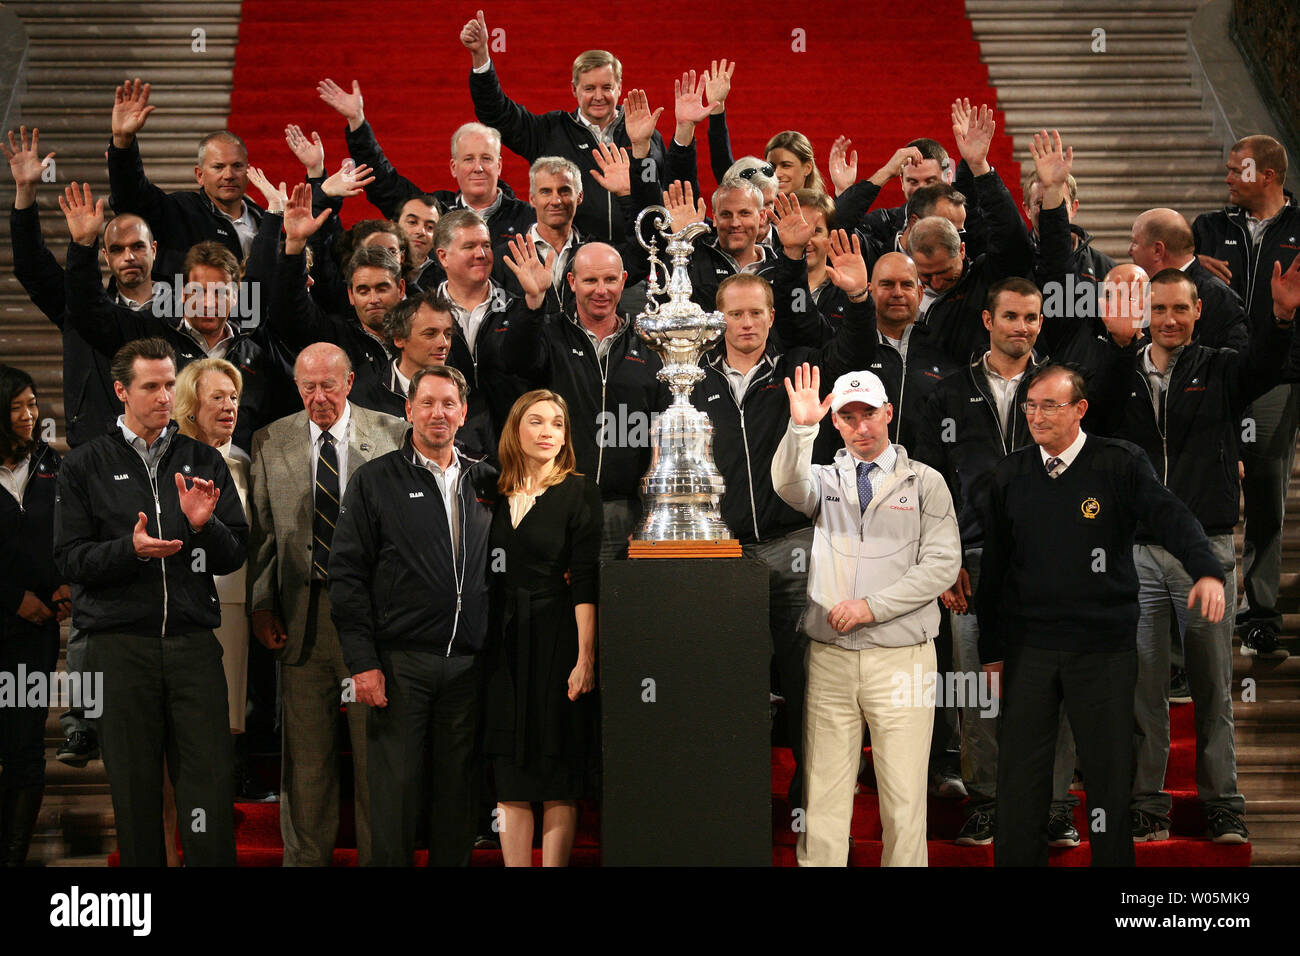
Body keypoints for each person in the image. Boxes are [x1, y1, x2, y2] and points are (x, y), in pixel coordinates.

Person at [976, 364, 1226, 866]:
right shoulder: (1009, 474)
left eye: (1050, 405)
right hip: (1030, 648)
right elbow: (995, 572)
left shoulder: (1120, 463)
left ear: (1080, 409)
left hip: (1103, 647)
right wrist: (992, 653)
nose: (1037, 416)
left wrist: (1206, 569)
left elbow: (1171, 516)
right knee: (1020, 778)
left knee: (1109, 779)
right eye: (1030, 406)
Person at [1089, 266, 1300, 845]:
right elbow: (1093, 412)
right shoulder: (1120, 370)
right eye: (1158, 310)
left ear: (1197, 311)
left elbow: (1266, 366)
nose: (1170, 320)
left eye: (1180, 309)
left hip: (1205, 550)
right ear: (1144, 315)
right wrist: (1115, 343)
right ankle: (1146, 805)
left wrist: (1281, 319)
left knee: (1211, 685)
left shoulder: (1221, 367)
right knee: (1144, 690)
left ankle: (1224, 806)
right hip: (1135, 553)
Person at [53, 337, 247, 867]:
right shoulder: (85, 464)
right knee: (136, 798)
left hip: (192, 648)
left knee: (207, 791)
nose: (165, 396)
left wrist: (204, 527)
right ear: (121, 390)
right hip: (119, 650)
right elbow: (69, 559)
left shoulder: (202, 458)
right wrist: (128, 550)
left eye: (169, 384)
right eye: (152, 386)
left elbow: (234, 554)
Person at [912, 277, 1082, 848]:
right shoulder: (948, 392)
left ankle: (1055, 806)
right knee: (974, 686)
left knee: (1050, 684)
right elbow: (930, 487)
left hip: (1051, 563)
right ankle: (986, 800)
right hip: (974, 562)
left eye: (1032, 318)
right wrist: (946, 557)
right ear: (988, 320)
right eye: (1011, 316)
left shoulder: (1062, 386)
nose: (1022, 327)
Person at [772, 364, 960, 866]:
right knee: (824, 795)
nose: (860, 426)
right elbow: (787, 485)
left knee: (903, 797)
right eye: (848, 416)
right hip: (831, 656)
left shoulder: (926, 482)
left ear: (888, 413)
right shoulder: (823, 478)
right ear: (837, 422)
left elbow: (942, 565)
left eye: (869, 414)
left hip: (903, 658)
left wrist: (870, 608)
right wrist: (801, 427)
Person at [246, 343, 407, 866]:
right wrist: (261, 605)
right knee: (308, 765)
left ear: (351, 380)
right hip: (301, 619)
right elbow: (264, 537)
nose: (319, 397)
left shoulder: (393, 434)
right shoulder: (271, 439)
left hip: (373, 621)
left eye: (328, 386)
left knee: (373, 758)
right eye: (308, 387)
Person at [329, 366, 497, 866]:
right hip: (400, 665)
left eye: (449, 404)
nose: (438, 413)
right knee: (394, 799)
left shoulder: (483, 480)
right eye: (427, 403)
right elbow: (347, 577)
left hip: (467, 667)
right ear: (409, 410)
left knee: (457, 800)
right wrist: (362, 662)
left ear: (463, 412)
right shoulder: (374, 480)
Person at [59, 183, 292, 450]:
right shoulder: (151, 338)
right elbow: (90, 314)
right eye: (197, 291)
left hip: (238, 480)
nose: (207, 302)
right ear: (181, 294)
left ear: (236, 297)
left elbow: (261, 278)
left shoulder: (255, 352)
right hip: (167, 479)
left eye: (220, 292)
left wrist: (275, 217)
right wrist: (83, 245)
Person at [482, 389, 601, 867]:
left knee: (557, 775)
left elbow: (585, 580)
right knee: (509, 773)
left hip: (557, 638)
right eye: (536, 421)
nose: (548, 431)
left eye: (557, 423)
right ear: (516, 429)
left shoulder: (578, 490)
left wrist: (585, 659)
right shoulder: (491, 489)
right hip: (501, 643)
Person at [1194, 135, 1300, 657]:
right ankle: (1195, 609)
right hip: (1212, 376)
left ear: (1271, 175)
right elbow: (1168, 279)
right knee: (1201, 485)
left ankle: (1259, 613)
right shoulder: (1208, 228)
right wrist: (1194, 269)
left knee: (1264, 493)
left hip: (1276, 378)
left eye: (1240, 169)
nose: (1229, 177)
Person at [498, 239, 669, 559]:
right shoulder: (548, 334)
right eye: (590, 280)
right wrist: (534, 300)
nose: (600, 290)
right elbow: (516, 361)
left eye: (609, 280)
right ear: (573, 283)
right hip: (555, 503)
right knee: (561, 608)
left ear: (623, 280)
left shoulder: (649, 346)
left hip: (625, 512)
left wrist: (652, 512)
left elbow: (661, 432)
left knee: (621, 607)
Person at [461, 9, 665, 243]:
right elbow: (497, 114)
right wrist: (481, 58)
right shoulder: (550, 131)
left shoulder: (644, 135)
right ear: (574, 90)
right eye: (589, 89)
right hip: (574, 266)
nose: (598, 96)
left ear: (619, 88)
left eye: (606, 88)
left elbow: (661, 195)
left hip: (639, 261)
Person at [315, 76, 534, 243]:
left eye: (486, 158)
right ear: (453, 167)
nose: (477, 168)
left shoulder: (528, 218)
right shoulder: (433, 213)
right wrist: (357, 122)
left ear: (499, 166)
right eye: (468, 159)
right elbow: (385, 184)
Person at [0, 366, 69, 866]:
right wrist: (10, 597)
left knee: (25, 745)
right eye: (18, 407)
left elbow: (69, 535)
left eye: (33, 405)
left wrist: (66, 581)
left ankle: (13, 855)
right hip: (8, 615)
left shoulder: (52, 465)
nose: (31, 416)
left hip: (34, 634)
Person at [106, 79, 263, 274]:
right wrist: (123, 142)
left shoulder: (263, 219)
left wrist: (314, 174)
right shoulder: (177, 211)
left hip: (252, 305)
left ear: (248, 171)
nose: (229, 175)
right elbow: (131, 198)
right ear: (200, 175)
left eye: (237, 166)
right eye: (218, 167)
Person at [1128, 207, 1247, 351]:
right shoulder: (1138, 290)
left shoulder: (1219, 298)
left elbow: (1235, 363)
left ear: (1158, 250)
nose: (1130, 251)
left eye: (1135, 243)